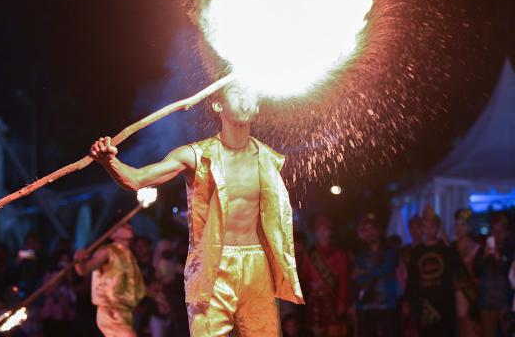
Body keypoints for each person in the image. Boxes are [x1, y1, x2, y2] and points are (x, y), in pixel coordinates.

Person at [89, 82, 304, 336]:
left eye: (250, 95)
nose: (244, 101)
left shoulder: (268, 159)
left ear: (257, 107)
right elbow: (136, 179)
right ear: (217, 104)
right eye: (236, 94)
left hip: (256, 267)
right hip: (212, 268)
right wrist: (109, 161)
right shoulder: (195, 155)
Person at [74, 223, 146, 337]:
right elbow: (85, 269)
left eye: (128, 225)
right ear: (113, 234)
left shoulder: (129, 254)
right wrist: (79, 261)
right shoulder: (107, 252)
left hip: (125, 313)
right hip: (110, 311)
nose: (128, 226)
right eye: (123, 226)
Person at [404, 212, 455, 336]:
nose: (428, 230)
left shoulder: (446, 249)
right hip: (423, 303)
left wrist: (449, 246)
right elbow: (411, 278)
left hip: (443, 302)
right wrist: (407, 301)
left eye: (432, 226)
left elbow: (455, 270)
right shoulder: (417, 251)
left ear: (438, 228)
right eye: (425, 226)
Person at [352, 214, 400, 337]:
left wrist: (366, 271)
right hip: (367, 306)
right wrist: (375, 272)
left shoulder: (391, 251)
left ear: (379, 230)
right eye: (366, 230)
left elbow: (387, 268)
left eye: (372, 228)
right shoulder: (360, 255)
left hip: (388, 304)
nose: (370, 233)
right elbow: (358, 278)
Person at [301, 214, 348, 337]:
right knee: (317, 332)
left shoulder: (340, 254)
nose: (322, 233)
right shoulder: (310, 254)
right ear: (315, 233)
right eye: (319, 230)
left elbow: (343, 280)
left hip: (332, 298)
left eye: (325, 230)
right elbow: (304, 277)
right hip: (315, 299)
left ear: (330, 232)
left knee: (334, 332)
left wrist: (342, 302)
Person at [452, 209, 482, 337]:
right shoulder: (451, 248)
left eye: (462, 225)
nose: (459, 229)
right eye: (456, 225)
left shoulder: (478, 249)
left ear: (469, 226)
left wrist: (463, 285)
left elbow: (481, 279)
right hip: (454, 301)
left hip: (472, 299)